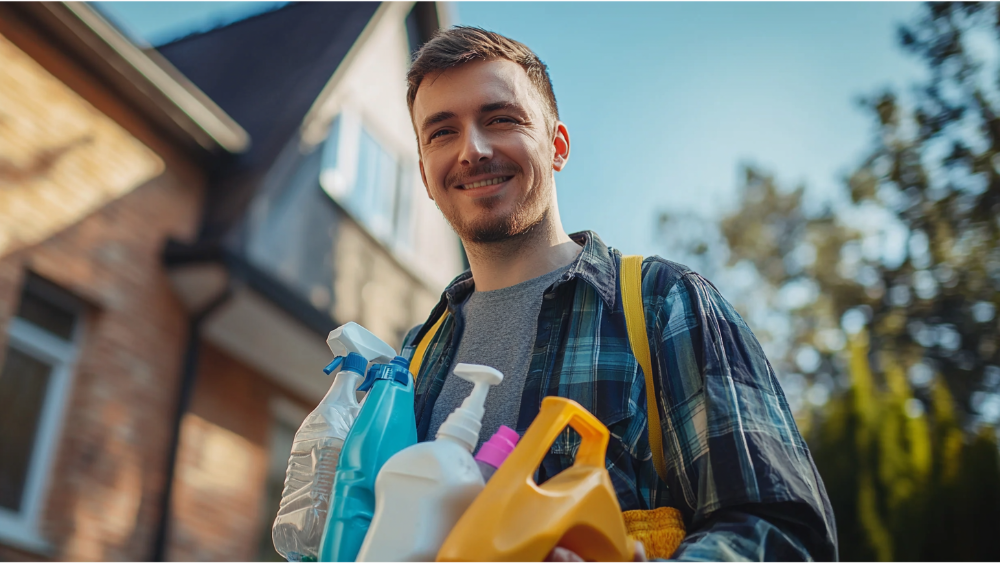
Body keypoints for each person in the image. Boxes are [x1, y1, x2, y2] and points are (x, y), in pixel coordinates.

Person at [401, 26, 837, 563]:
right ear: (424, 172)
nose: (473, 149)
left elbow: (784, 536)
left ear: (557, 146)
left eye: (500, 119)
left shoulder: (666, 306)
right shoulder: (413, 360)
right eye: (442, 133)